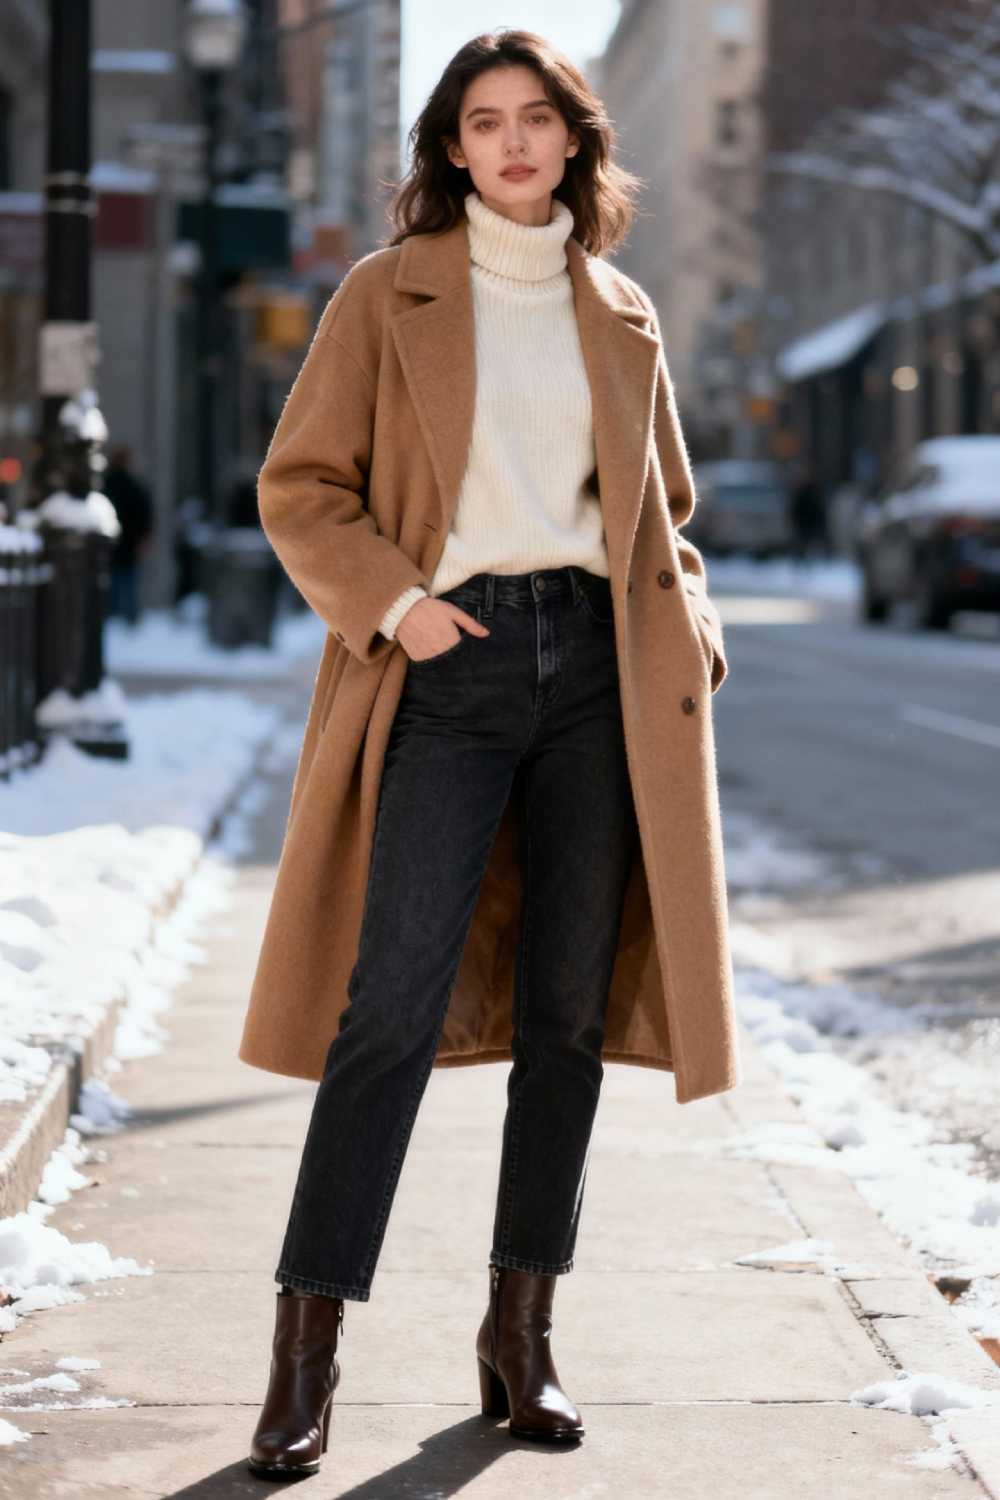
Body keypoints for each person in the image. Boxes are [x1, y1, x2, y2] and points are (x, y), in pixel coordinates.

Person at [241, 29, 739, 1480]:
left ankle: (522, 1339)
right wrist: (398, 606)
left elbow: (664, 515)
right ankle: (305, 1358)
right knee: (388, 1012)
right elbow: (302, 486)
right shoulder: (386, 292)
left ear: (575, 140)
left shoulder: (621, 310)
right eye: (482, 122)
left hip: (595, 677)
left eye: (535, 119)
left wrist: (691, 628)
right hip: (444, 670)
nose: (513, 143)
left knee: (565, 1020)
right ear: (450, 149)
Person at [102, 444, 154, 624]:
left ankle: (113, 618)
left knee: (112, 587)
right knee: (127, 585)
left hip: (112, 545)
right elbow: (145, 516)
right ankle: (128, 620)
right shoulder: (134, 487)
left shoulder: (107, 485)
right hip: (128, 545)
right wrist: (143, 539)